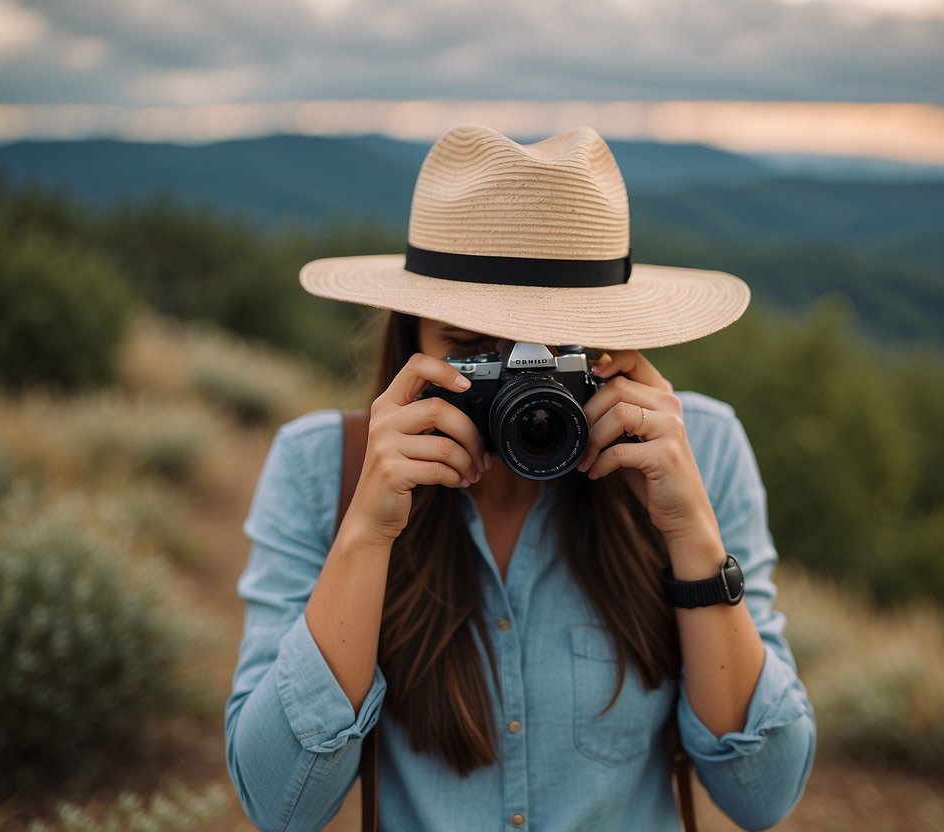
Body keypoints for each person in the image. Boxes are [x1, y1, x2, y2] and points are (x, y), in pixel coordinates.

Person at [225, 124, 815, 831]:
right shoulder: (321, 467)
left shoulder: (701, 448)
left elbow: (764, 794)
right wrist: (364, 535)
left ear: (614, 343)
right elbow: (278, 805)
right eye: (477, 352)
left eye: (560, 350)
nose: (522, 394)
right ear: (411, 334)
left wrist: (689, 534)